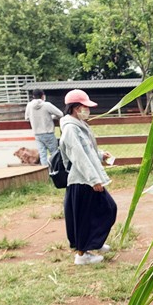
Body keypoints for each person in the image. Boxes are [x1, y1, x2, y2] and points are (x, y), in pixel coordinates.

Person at [58, 89, 116, 265]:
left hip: (86, 178)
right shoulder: (70, 129)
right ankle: (82, 255)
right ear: (76, 108)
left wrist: (100, 155)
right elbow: (78, 156)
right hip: (82, 179)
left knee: (105, 209)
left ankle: (94, 244)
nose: (88, 110)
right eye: (85, 107)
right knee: (90, 215)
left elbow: (87, 150)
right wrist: (94, 180)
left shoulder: (78, 126)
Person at [24, 89, 64, 167]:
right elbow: (60, 114)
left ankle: (45, 171)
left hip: (37, 133)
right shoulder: (46, 105)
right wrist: (51, 117)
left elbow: (27, 118)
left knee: (42, 154)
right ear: (42, 96)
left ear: (33, 96)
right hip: (48, 132)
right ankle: (55, 171)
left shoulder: (29, 105)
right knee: (54, 153)